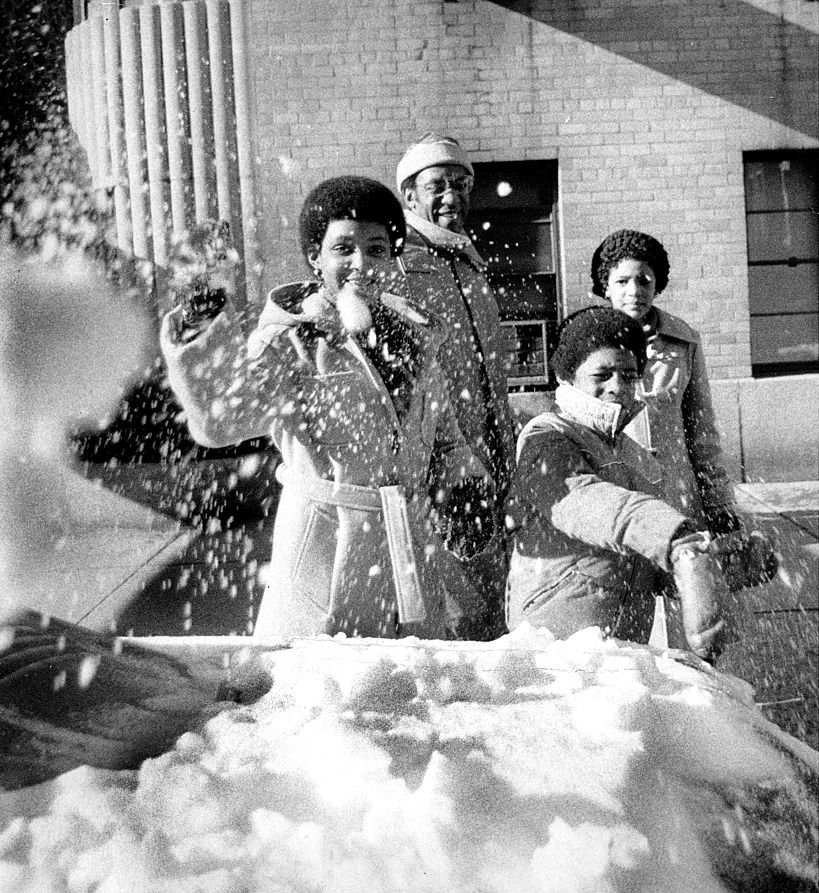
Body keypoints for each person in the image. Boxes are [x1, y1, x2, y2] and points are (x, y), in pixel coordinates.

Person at [160, 176, 489, 641]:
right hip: (327, 549)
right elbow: (219, 421)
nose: (361, 264)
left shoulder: (416, 336)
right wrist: (200, 320)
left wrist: (463, 482)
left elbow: (444, 436)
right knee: (323, 697)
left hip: (406, 551)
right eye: (343, 249)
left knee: (411, 697)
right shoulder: (291, 340)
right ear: (315, 257)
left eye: (377, 249)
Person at [506, 306, 730, 663]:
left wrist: (718, 562)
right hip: (554, 645)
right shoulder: (546, 436)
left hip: (617, 649)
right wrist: (672, 535)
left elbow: (642, 563)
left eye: (628, 375)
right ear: (567, 376)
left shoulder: (629, 451)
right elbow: (584, 501)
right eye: (602, 373)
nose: (616, 387)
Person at [590, 229, 778, 596]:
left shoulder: (683, 341)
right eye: (622, 281)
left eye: (644, 279)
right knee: (625, 620)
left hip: (678, 495)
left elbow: (702, 431)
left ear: (657, 283)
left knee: (689, 610)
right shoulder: (589, 341)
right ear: (606, 287)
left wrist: (719, 503)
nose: (634, 291)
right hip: (619, 498)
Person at [395, 133, 516, 639]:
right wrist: (452, 452)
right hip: (445, 454)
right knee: (455, 596)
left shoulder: (466, 258)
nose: (452, 196)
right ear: (409, 195)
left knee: (495, 583)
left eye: (462, 185)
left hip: (493, 446)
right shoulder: (400, 259)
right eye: (438, 185)